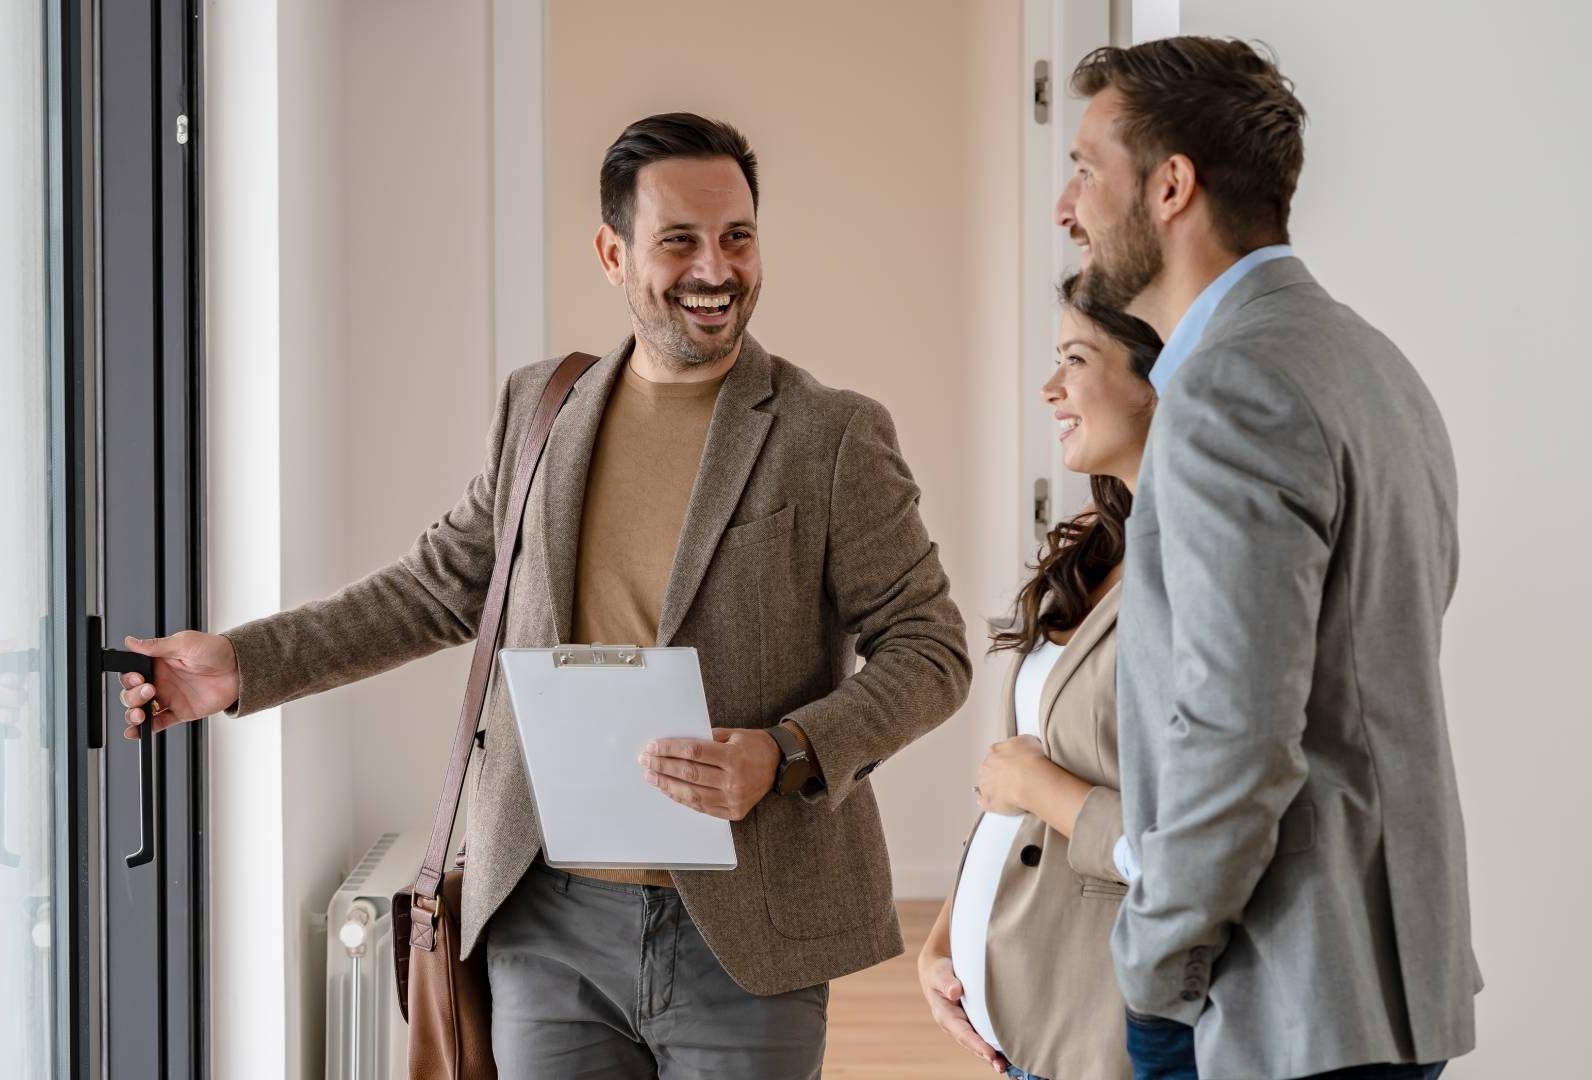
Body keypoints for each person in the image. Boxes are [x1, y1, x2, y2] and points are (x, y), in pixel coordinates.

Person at [117, 112, 972, 1078]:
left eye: (737, 236)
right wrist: (240, 663)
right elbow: (439, 587)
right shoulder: (542, 407)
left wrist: (784, 753)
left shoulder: (831, 434)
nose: (717, 269)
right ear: (613, 253)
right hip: (545, 920)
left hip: (747, 928)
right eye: (678, 240)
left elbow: (930, 648)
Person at [1055, 37, 1479, 1079]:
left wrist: (1156, 965)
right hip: (1392, 980)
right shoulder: (1371, 363)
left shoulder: (1227, 389)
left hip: (1284, 995)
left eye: (1084, 170)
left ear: (1169, 186)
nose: (1066, 207)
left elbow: (1234, 733)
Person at [918, 274, 1160, 1080]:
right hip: (1017, 1025)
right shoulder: (1100, 540)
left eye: (1076, 360)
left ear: (1156, 381)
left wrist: (1037, 783)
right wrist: (947, 935)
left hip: (1101, 1023)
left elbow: (1188, 843)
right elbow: (1007, 779)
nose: (1051, 388)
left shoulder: (1200, 567)